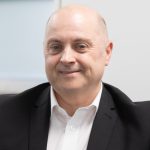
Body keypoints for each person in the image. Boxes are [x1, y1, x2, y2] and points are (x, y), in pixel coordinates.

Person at [0, 4, 150, 150]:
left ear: (107, 52)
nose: (66, 58)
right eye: (55, 47)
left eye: (81, 46)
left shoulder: (144, 125)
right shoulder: (5, 115)